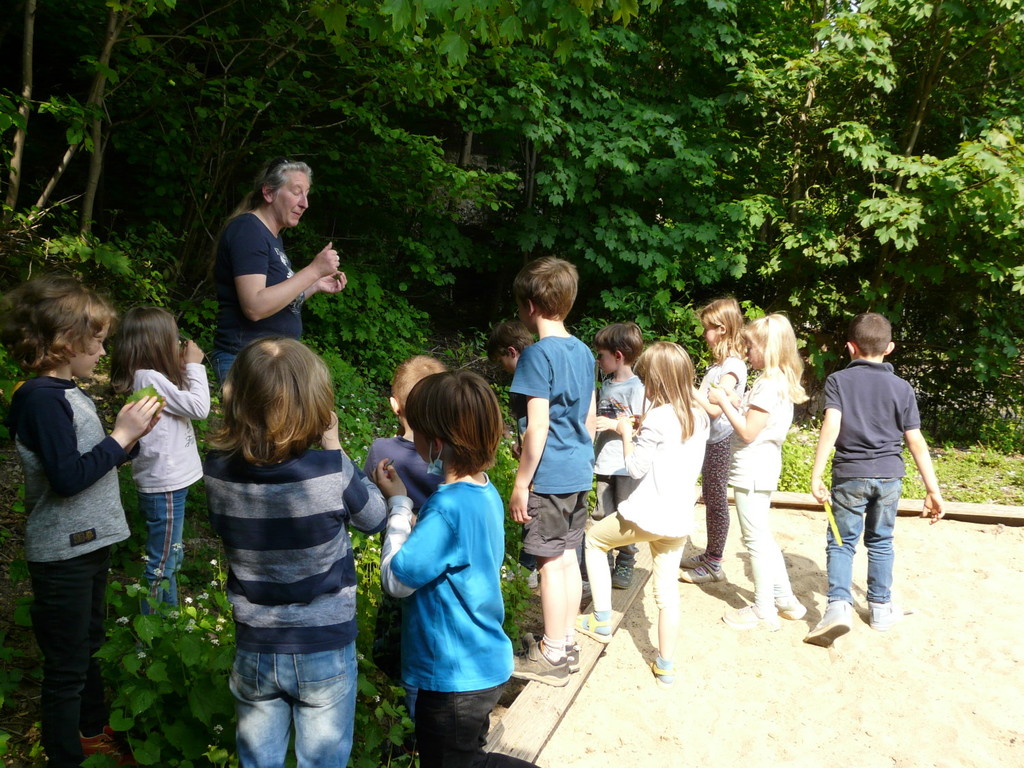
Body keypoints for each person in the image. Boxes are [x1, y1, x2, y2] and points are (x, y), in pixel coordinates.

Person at [2, 274, 162, 767]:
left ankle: (93, 734)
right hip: (62, 552)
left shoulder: (67, 393)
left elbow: (89, 461)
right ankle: (66, 757)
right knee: (66, 667)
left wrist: (130, 441)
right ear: (65, 340)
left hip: (87, 544)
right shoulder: (40, 399)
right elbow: (67, 478)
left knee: (88, 646)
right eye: (97, 341)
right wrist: (120, 437)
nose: (102, 351)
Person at [204, 337, 386, 768]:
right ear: (315, 406)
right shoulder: (330, 470)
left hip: (255, 643)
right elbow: (375, 517)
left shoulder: (216, 471)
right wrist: (334, 446)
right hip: (323, 643)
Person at [374, 371, 537, 768]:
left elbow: (396, 579)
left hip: (451, 676)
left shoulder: (446, 507)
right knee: (467, 756)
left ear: (437, 443)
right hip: (481, 662)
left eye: (417, 431)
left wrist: (399, 505)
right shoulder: (483, 490)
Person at [805, 313, 945, 646]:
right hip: (889, 476)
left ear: (850, 347)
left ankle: (838, 607)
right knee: (881, 541)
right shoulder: (902, 387)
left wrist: (816, 472)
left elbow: (832, 425)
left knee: (842, 542)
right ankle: (880, 609)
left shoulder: (839, 381)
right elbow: (915, 440)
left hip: (850, 474)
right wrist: (932, 489)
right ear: (890, 348)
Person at [577, 342, 709, 688]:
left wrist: (625, 434)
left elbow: (635, 468)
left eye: (647, 378)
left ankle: (601, 619)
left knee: (594, 541)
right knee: (666, 594)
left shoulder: (659, 417)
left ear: (657, 380)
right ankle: (665, 665)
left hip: (646, 514)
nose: (644, 384)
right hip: (677, 519)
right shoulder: (698, 416)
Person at [507, 257, 596, 687]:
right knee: (568, 558)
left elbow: (537, 427)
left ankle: (551, 652)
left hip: (549, 477)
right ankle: (568, 642)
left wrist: (521, 483)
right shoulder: (584, 352)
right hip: (580, 470)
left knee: (548, 564)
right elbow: (591, 420)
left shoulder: (536, 356)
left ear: (529, 306)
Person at [708, 314, 808, 631]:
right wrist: (737, 403)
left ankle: (764, 609)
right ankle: (786, 600)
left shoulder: (767, 384)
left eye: (751, 347)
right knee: (762, 536)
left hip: (752, 468)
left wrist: (723, 401)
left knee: (754, 540)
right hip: (761, 466)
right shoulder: (777, 381)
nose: (748, 352)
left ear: (768, 347)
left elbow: (749, 432)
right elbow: (756, 422)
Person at [363, 354, 446, 733]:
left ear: (394, 405)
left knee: (402, 652)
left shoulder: (382, 451)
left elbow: (369, 511)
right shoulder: (451, 457)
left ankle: (410, 731)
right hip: (440, 571)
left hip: (399, 563)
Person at [110, 307, 211, 613]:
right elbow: (200, 408)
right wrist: (194, 367)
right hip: (164, 484)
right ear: (156, 342)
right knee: (162, 563)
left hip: (169, 482)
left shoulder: (150, 377)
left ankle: (170, 618)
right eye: (173, 337)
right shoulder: (149, 378)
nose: (177, 343)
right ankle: (153, 626)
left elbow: (184, 403)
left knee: (171, 557)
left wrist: (182, 369)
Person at [211, 157, 347, 382]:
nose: (305, 203)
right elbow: (255, 306)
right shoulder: (248, 230)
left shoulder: (270, 237)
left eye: (307, 194)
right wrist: (313, 270)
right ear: (268, 193)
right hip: (247, 362)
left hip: (269, 364)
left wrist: (313, 285)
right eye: (296, 192)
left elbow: (275, 302)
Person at [682, 297, 748, 584]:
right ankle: (710, 554)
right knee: (710, 497)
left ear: (722, 329)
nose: (704, 333)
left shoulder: (732, 366)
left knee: (717, 500)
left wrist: (687, 387)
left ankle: (714, 563)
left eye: (708, 328)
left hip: (720, 440)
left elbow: (714, 408)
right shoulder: (720, 365)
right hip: (709, 439)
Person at [592, 321, 646, 590]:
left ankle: (626, 560)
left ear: (618, 356)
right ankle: (605, 558)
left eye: (601, 355)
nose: (598, 360)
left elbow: (640, 425)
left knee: (626, 514)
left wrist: (613, 425)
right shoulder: (606, 384)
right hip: (604, 462)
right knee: (603, 512)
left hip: (625, 464)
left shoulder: (637, 388)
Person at [486, 320, 537, 586]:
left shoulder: (531, 378)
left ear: (511, 351)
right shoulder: (528, 376)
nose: (502, 367)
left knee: (531, 507)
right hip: (533, 452)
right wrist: (519, 443)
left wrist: (528, 446)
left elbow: (536, 423)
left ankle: (529, 568)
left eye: (501, 361)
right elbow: (525, 422)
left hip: (539, 459)